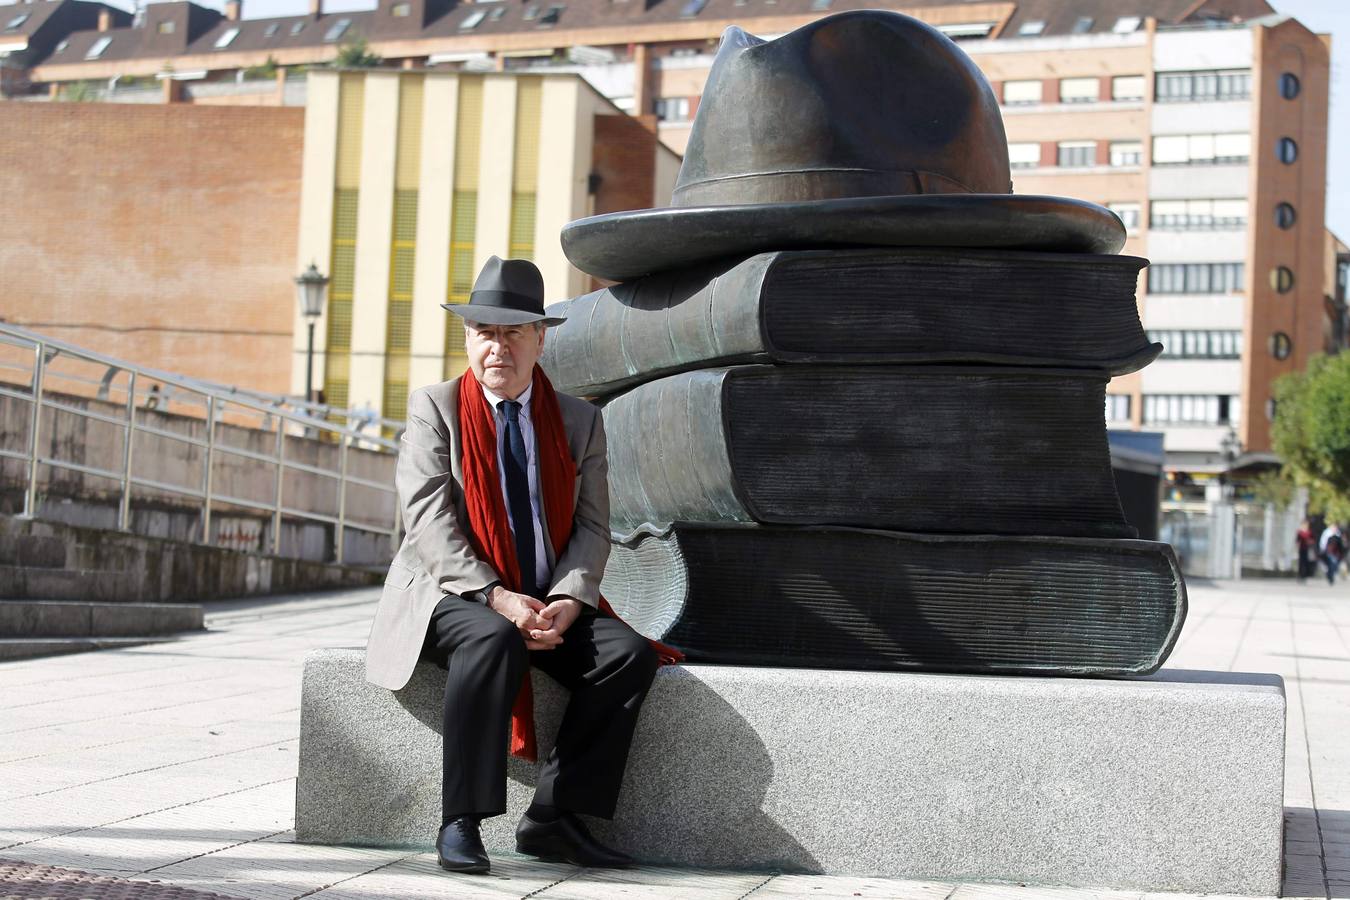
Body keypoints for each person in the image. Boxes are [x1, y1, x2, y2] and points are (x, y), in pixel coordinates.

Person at [363, 256, 673, 875]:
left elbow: (592, 524)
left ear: (540, 336)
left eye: (511, 333)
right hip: (451, 595)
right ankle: (461, 820)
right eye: (484, 332)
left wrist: (569, 596)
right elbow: (427, 521)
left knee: (626, 655)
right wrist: (496, 596)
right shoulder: (435, 407)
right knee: (493, 638)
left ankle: (554, 819)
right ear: (468, 339)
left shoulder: (579, 420)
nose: (496, 347)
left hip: (544, 594)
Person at [1296, 519, 1316, 583]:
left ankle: (1305, 576)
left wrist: (1310, 542)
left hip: (1308, 549)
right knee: (1301, 563)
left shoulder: (1310, 532)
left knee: (1306, 563)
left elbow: (1313, 540)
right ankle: (1300, 576)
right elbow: (1297, 541)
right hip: (1301, 549)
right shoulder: (1300, 532)